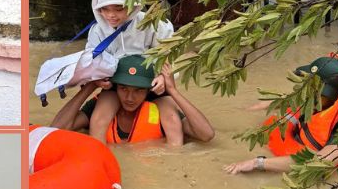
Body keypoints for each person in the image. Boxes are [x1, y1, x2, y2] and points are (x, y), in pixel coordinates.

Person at [224, 55, 338, 174]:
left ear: (323, 95)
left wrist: (256, 163)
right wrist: (238, 114)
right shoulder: (315, 105)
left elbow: (315, 163)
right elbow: (267, 104)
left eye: (308, 86)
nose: (302, 89)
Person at [81, 0, 177, 142]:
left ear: (134, 4)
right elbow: (92, 62)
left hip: (151, 84)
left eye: (119, 9)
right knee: (98, 120)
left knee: (172, 121)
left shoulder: (155, 24)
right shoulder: (97, 31)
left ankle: (177, 164)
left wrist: (163, 77)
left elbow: (169, 56)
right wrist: (99, 78)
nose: (111, 15)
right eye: (105, 9)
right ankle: (100, 160)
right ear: (97, 8)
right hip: (118, 86)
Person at [51, 55, 215, 146]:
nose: (130, 98)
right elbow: (55, 130)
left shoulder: (162, 114)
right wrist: (90, 87)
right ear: (115, 88)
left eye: (138, 91)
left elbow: (206, 135)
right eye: (123, 89)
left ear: (148, 91)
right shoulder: (100, 107)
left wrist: (172, 91)